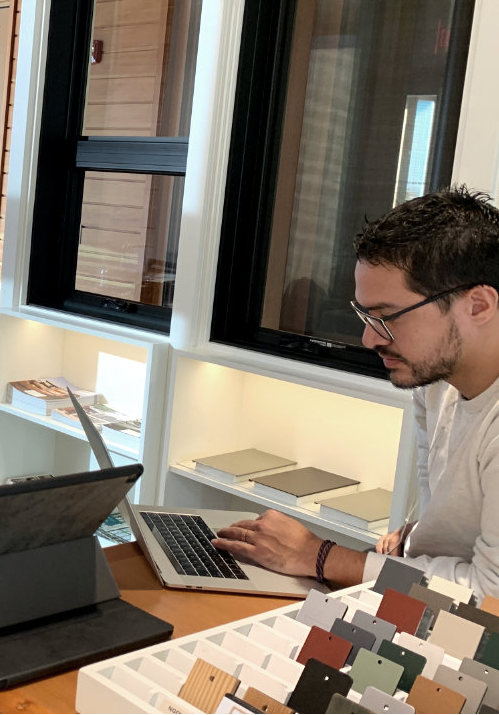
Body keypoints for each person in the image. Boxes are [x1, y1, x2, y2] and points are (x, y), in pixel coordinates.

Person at [211, 186, 499, 598]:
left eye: (387, 317)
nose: (368, 338)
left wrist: (321, 556)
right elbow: (441, 509)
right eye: (364, 315)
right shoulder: (436, 382)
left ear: (478, 306)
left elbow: (490, 599)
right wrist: (415, 537)